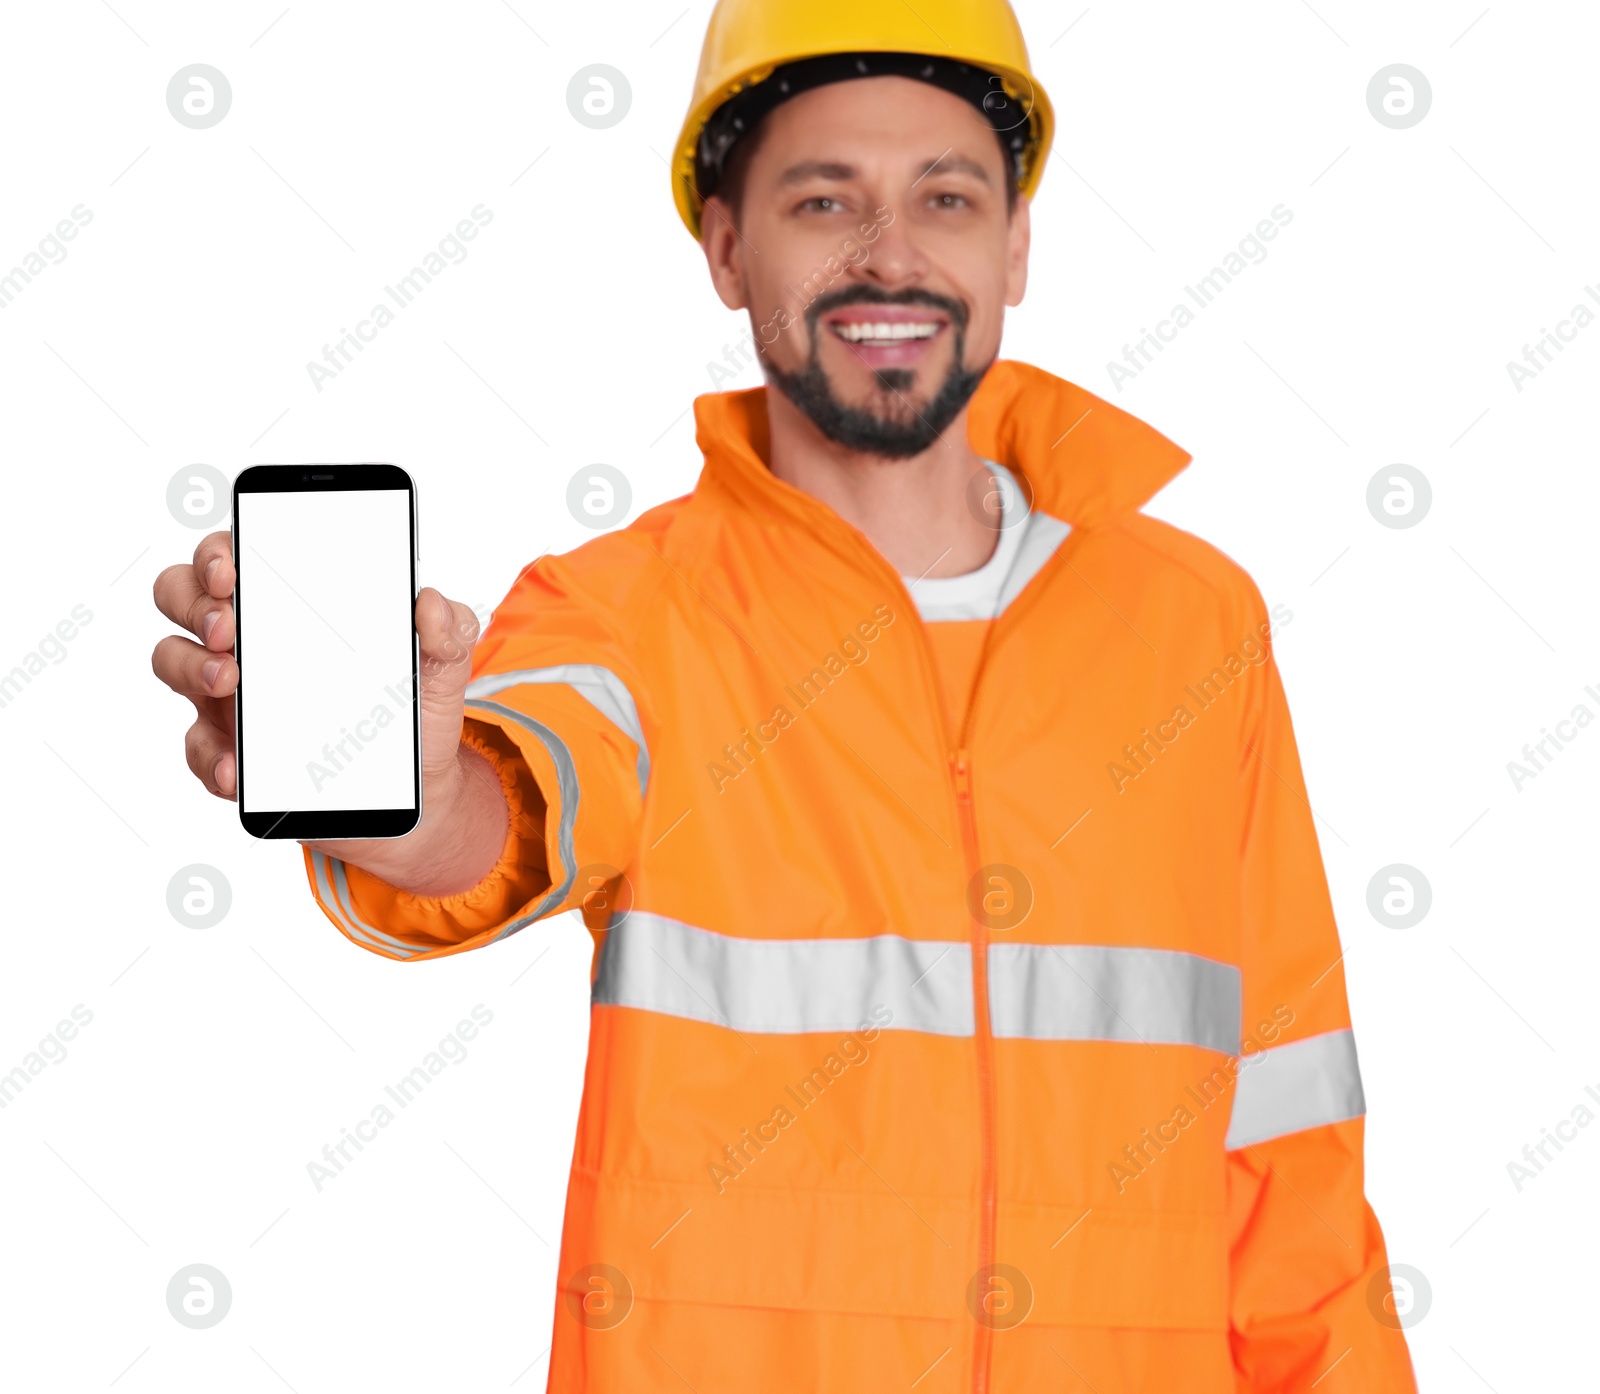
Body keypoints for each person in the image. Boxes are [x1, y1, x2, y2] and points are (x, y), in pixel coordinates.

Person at [151, 1, 1418, 1389]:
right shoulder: (633, 613)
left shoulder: (1193, 623)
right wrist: (392, 775)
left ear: (1016, 244)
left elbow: (1289, 1140)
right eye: (826, 199)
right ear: (727, 246)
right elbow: (504, 807)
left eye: (946, 196)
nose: (893, 253)